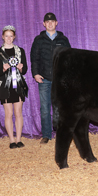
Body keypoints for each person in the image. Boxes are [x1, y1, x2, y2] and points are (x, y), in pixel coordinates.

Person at [31, 13, 71, 144]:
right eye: (47, 22)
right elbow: (34, 58)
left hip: (60, 79)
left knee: (61, 108)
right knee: (44, 108)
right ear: (44, 24)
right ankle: (47, 135)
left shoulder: (63, 39)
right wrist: (35, 73)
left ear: (56, 23)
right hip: (44, 80)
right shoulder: (39, 40)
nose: (50, 23)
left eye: (52, 21)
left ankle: (61, 133)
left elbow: (68, 58)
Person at [0, 25, 28, 149]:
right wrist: (3, 68)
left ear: (14, 37)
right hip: (5, 86)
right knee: (9, 113)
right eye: (6, 36)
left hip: (18, 85)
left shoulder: (20, 51)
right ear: (3, 36)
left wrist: (21, 67)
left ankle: (18, 139)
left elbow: (25, 70)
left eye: (11, 36)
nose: (8, 38)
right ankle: (11, 140)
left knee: (18, 113)